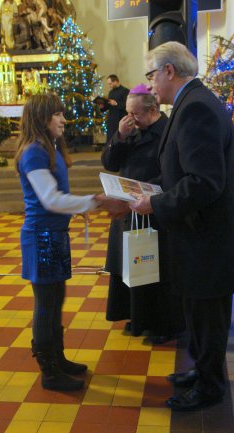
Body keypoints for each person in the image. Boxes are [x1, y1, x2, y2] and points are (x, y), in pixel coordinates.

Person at [130, 42, 234, 412]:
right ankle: (204, 372)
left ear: (169, 72)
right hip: (200, 237)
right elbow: (184, 171)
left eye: (151, 76)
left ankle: (210, 386)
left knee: (209, 319)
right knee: (198, 314)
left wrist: (155, 203)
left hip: (210, 241)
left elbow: (204, 182)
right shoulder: (192, 103)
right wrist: (152, 192)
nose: (149, 85)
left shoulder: (195, 108)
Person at [15, 93, 119, 391]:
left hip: (54, 235)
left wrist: (82, 207)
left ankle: (57, 358)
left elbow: (55, 197)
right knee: (46, 305)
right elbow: (50, 199)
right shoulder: (34, 151)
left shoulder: (50, 148)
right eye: (56, 115)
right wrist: (95, 202)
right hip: (41, 237)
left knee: (56, 299)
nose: (63, 120)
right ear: (41, 118)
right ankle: (49, 372)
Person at [102, 84, 184, 343]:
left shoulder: (168, 130)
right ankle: (135, 316)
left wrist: (147, 191)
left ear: (152, 110)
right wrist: (120, 136)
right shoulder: (128, 130)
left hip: (154, 207)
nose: (129, 119)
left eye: (135, 114)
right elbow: (110, 163)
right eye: (127, 113)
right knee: (130, 265)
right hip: (130, 207)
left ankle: (161, 324)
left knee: (154, 268)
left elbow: (173, 170)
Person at [102, 75, 129, 142]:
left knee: (120, 140)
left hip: (121, 119)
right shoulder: (111, 92)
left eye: (110, 84)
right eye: (108, 84)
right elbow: (109, 105)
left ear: (116, 81)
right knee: (110, 140)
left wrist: (116, 103)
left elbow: (127, 105)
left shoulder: (125, 91)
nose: (109, 86)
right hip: (112, 120)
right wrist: (103, 106)